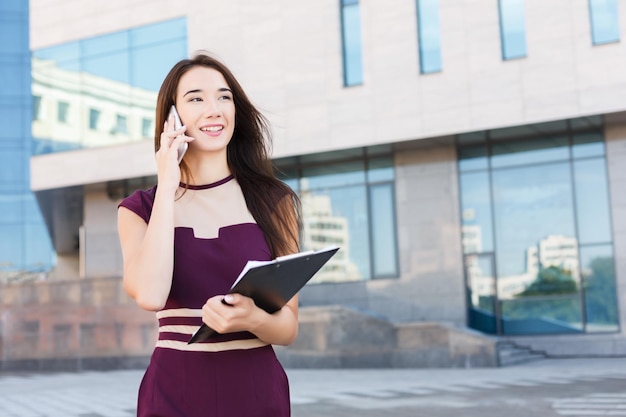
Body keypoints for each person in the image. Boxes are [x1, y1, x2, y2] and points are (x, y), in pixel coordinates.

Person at [117, 51, 302, 417]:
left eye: (224, 97)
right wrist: (167, 184)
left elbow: (288, 327)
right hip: (173, 391)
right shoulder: (139, 209)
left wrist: (252, 319)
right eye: (196, 98)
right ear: (172, 116)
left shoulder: (273, 201)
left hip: (256, 392)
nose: (214, 109)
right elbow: (151, 294)